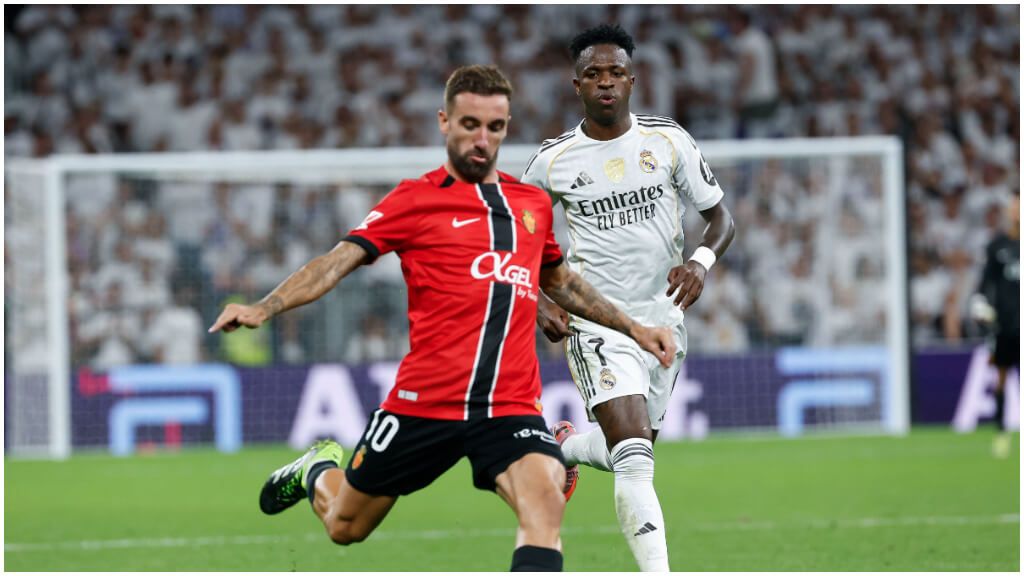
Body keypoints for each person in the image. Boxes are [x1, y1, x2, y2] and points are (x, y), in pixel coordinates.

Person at [208, 65, 677, 572]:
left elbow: (560, 282)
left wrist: (634, 328)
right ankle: (317, 468)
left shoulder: (530, 205)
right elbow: (335, 263)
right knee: (346, 525)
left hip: (508, 406)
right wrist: (265, 307)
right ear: (444, 122)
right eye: (470, 124)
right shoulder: (414, 199)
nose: (482, 139)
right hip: (426, 402)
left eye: (494, 127)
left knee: (545, 505)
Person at [522, 25, 736, 571]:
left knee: (630, 450)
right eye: (593, 74)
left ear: (633, 81)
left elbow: (721, 219)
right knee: (636, 461)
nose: (606, 82)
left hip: (663, 319)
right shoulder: (553, 160)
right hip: (596, 321)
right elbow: (513, 239)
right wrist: (539, 300)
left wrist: (699, 262)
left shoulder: (668, 141)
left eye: (616, 72)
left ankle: (563, 447)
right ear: (576, 85)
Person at [970, 191, 1019, 458]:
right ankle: (1001, 432)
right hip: (1004, 325)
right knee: (1001, 377)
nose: (1016, 210)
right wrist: (980, 304)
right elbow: (984, 283)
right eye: (1014, 206)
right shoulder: (997, 246)